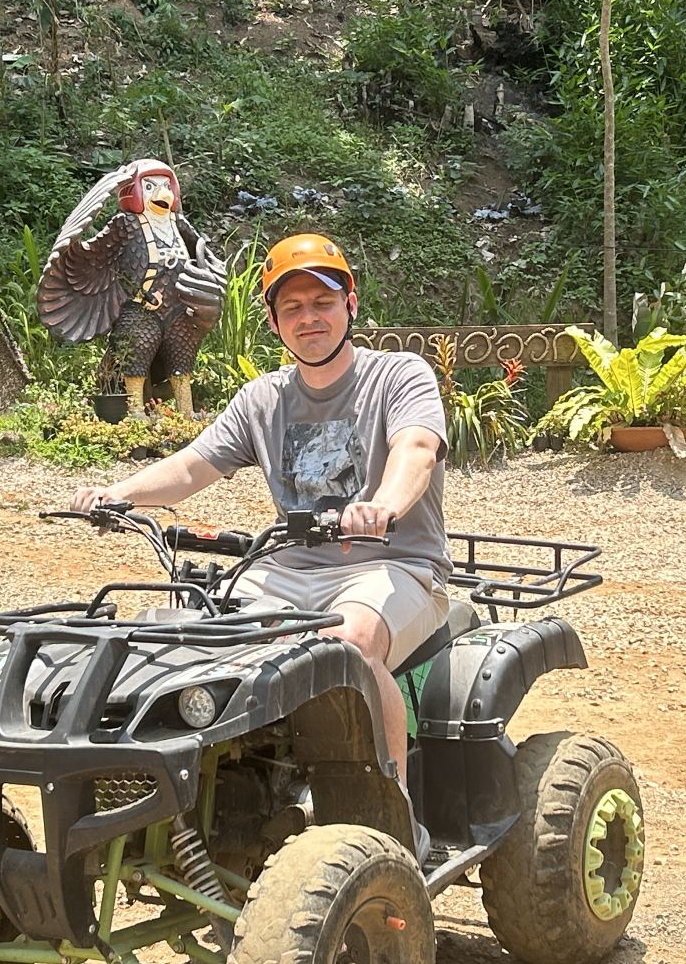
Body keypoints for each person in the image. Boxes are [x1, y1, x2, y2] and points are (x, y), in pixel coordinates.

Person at [70, 232, 449, 811]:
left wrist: (386, 506)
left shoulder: (398, 376)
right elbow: (194, 465)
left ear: (350, 304)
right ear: (274, 323)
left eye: (322, 302)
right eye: (292, 308)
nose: (309, 319)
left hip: (393, 567)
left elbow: (416, 449)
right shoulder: (262, 399)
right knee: (186, 631)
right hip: (285, 570)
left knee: (348, 644)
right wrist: (117, 493)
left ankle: (387, 809)